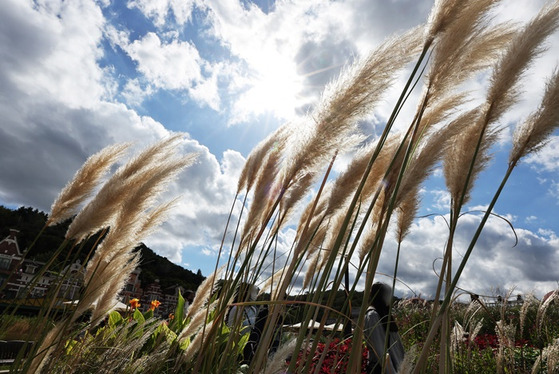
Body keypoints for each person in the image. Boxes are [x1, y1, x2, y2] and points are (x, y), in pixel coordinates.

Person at [363, 282, 405, 374]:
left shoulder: (384, 314)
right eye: (387, 294)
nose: (390, 298)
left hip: (395, 366)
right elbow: (380, 350)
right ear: (379, 295)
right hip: (382, 369)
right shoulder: (373, 316)